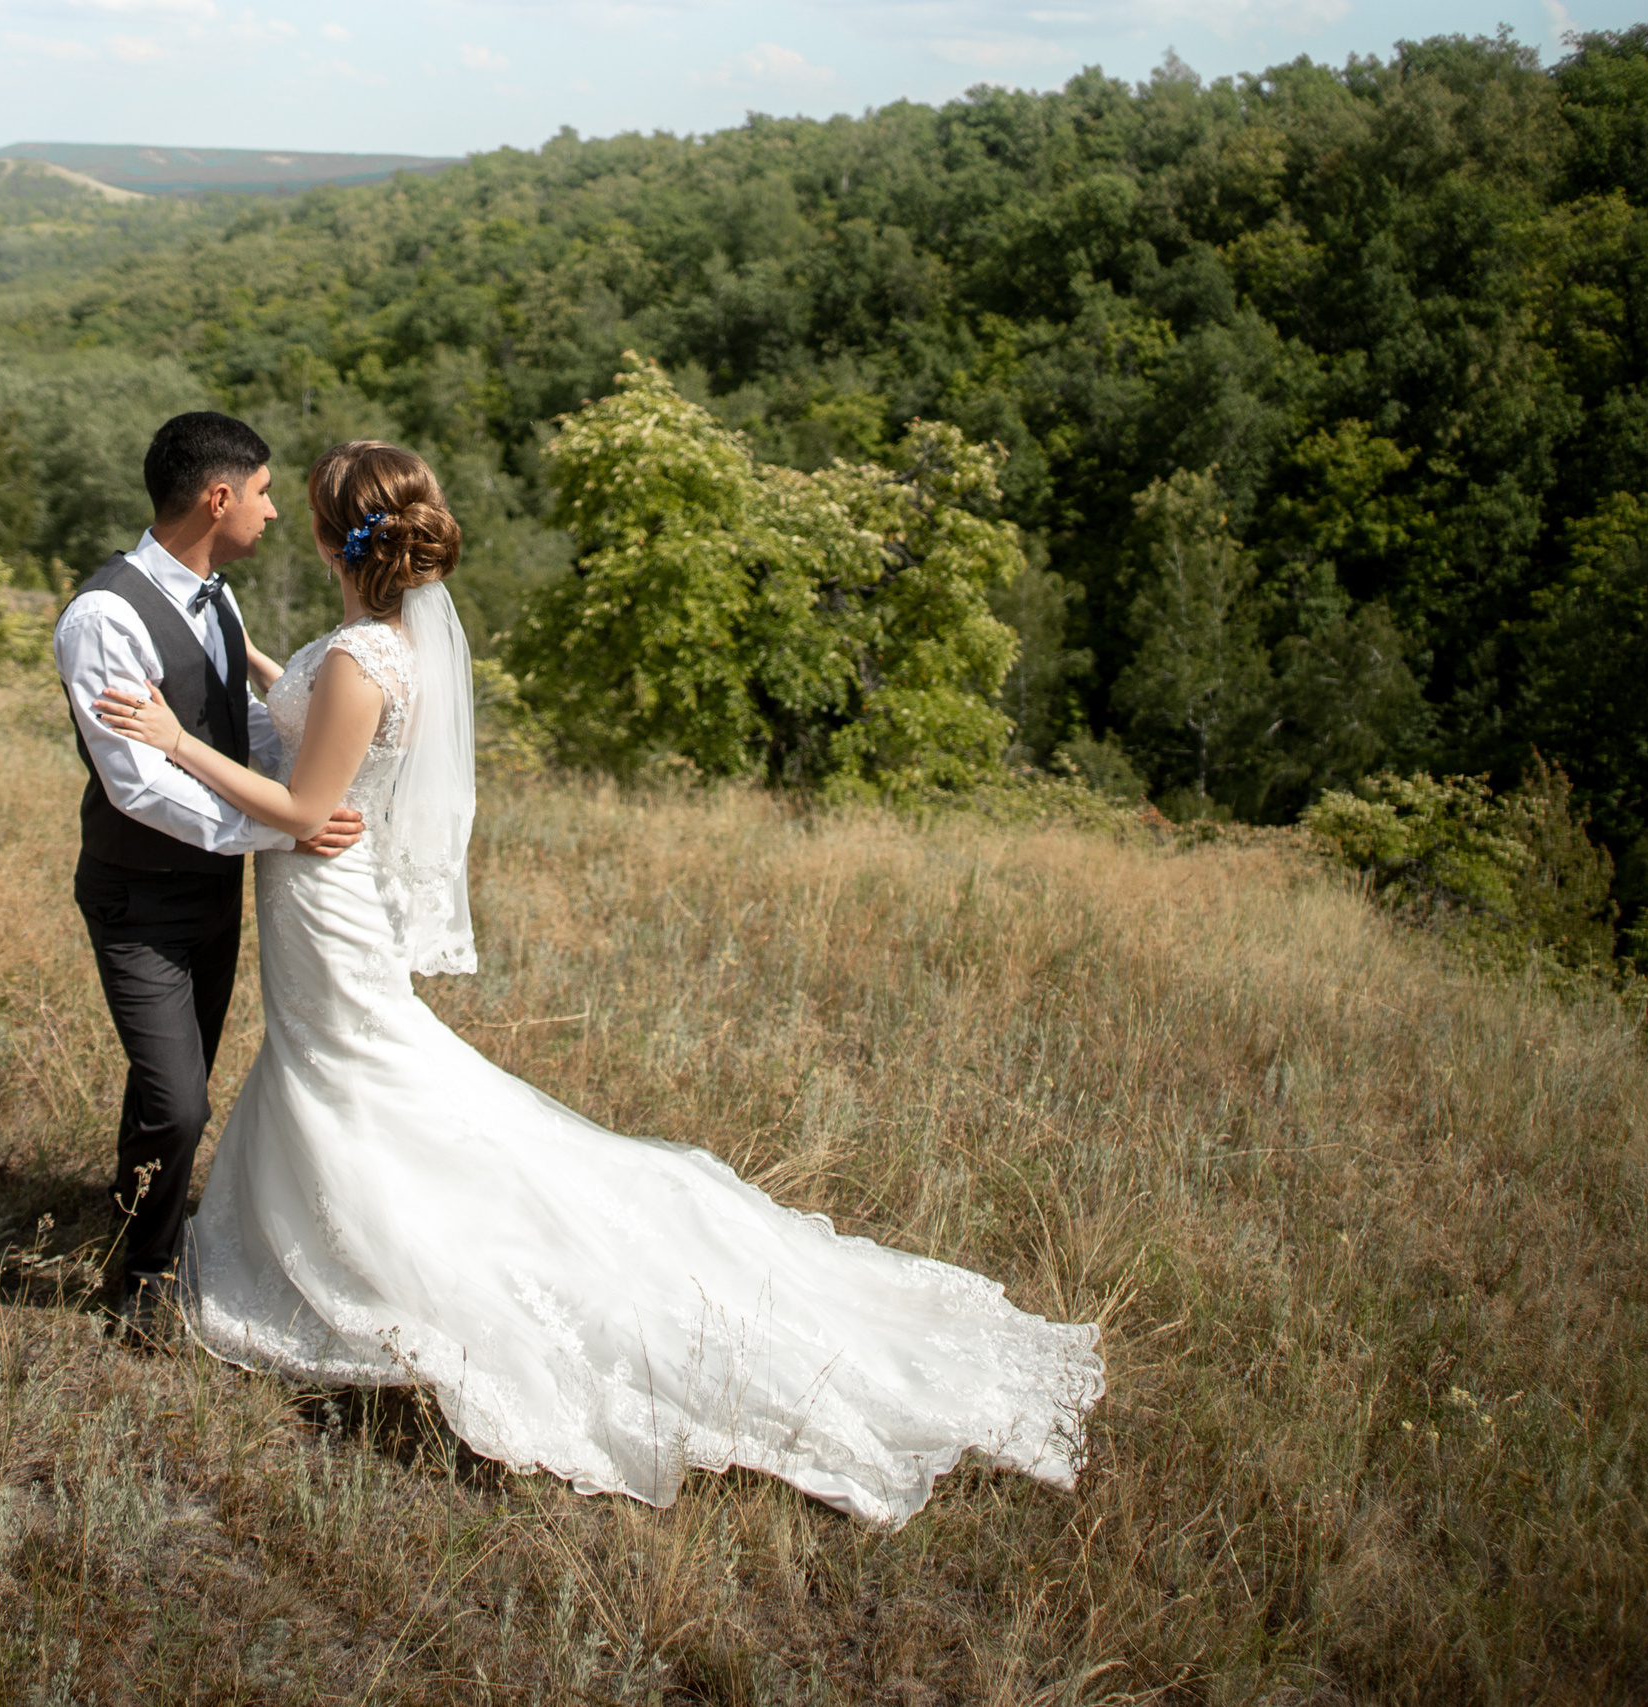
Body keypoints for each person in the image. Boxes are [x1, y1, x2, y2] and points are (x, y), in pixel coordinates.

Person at [92, 440, 1105, 1525]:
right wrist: (250, 666)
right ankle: (305, 1240)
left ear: (347, 533)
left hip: (324, 904)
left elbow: (300, 810)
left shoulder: (355, 659)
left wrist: (170, 738)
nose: (279, 514)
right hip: (327, 899)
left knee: (358, 1079)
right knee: (347, 1074)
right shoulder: (378, 648)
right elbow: (312, 714)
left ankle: (391, 1266)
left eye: (300, 504)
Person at [52, 412, 364, 1341]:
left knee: (169, 1088)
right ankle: (143, 1278)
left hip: (214, 890)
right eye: (263, 493)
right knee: (180, 1097)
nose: (273, 512)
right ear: (217, 498)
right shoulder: (103, 616)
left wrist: (308, 785)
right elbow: (138, 784)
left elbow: (246, 730)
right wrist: (280, 833)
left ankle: (140, 1217)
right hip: (138, 891)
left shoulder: (216, 596)